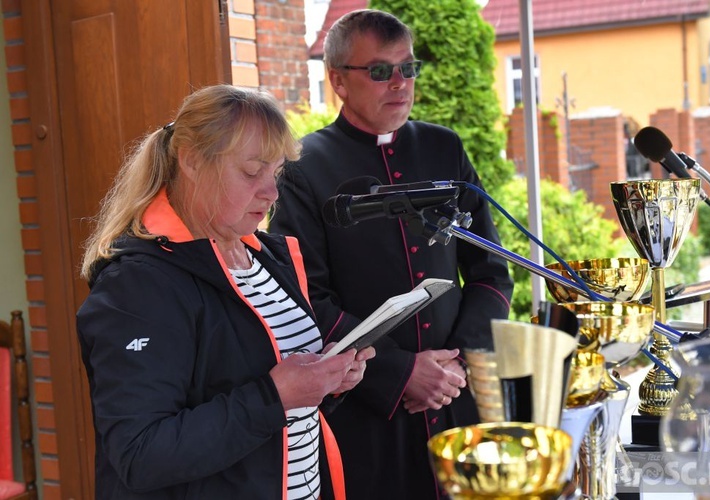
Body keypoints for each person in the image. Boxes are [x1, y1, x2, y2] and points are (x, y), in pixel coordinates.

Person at [76, 84, 374, 499]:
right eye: (252, 172)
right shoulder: (139, 285)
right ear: (193, 161)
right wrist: (275, 396)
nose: (271, 193)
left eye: (276, 174)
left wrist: (326, 380)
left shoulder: (269, 254)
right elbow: (140, 454)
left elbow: (280, 403)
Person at [269, 9, 514, 500]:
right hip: (369, 409)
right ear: (338, 80)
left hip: (458, 396)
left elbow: (490, 273)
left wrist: (455, 365)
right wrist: (398, 372)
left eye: (408, 68)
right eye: (380, 71)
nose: (400, 83)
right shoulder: (304, 167)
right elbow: (305, 298)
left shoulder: (444, 148)